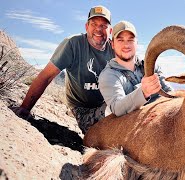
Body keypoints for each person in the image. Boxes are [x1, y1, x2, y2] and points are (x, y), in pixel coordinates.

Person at [12, 5, 115, 134]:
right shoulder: (72, 44)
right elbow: (46, 76)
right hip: (83, 109)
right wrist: (25, 108)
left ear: (110, 31)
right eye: (94, 24)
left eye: (104, 25)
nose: (98, 29)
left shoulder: (115, 49)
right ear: (86, 26)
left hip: (107, 103)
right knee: (114, 113)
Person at [99, 21, 173, 117]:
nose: (126, 45)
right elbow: (117, 108)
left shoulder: (152, 67)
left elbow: (169, 93)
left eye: (130, 40)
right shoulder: (108, 75)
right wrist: (143, 92)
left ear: (136, 43)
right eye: (120, 40)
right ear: (112, 44)